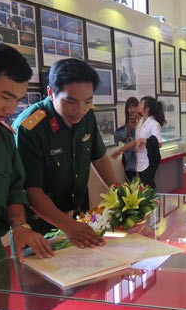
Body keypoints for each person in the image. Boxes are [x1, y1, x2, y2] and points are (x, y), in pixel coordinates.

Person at [13, 58, 117, 248]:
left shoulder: (87, 116)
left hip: (79, 214)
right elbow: (31, 190)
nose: (80, 110)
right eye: (71, 102)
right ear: (51, 93)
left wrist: (120, 194)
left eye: (88, 101)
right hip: (41, 226)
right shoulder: (30, 127)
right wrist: (68, 226)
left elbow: (99, 158)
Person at [0, 41, 53, 267]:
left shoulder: (2, 138)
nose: (11, 109)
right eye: (5, 97)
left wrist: (20, 226)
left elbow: (14, 190)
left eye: (17, 100)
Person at [112, 96, 165, 189]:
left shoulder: (153, 123)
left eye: (140, 103)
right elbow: (135, 140)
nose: (138, 106)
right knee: (140, 188)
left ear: (147, 109)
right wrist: (120, 150)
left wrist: (143, 141)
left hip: (148, 161)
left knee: (148, 187)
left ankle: (154, 202)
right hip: (139, 160)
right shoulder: (140, 121)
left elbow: (159, 143)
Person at [114, 97, 140, 181]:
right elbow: (120, 139)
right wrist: (129, 127)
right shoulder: (125, 121)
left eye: (134, 107)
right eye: (129, 107)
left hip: (140, 156)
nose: (132, 110)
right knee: (130, 183)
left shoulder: (144, 120)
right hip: (129, 158)